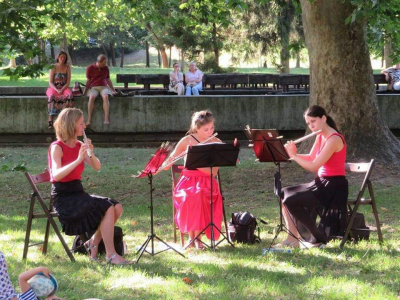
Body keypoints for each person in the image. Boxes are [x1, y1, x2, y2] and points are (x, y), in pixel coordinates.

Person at [48, 108, 130, 265]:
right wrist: (78, 160)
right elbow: (56, 175)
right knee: (108, 207)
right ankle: (111, 255)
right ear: (71, 125)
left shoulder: (79, 145)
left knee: (116, 207)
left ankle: (92, 242)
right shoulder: (56, 147)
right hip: (64, 197)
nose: (84, 126)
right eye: (81, 123)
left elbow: (97, 167)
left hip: (78, 192)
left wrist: (90, 153)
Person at [279, 105, 348, 248]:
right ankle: (292, 238)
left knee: (291, 199)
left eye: (313, 121)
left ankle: (318, 236)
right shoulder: (320, 135)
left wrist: (293, 156)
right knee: (283, 193)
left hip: (333, 187)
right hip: (321, 182)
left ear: (323, 118)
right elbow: (311, 157)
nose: (311, 126)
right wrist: (292, 154)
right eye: (308, 123)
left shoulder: (334, 139)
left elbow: (314, 166)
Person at [161, 110, 223, 250]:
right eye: (206, 129)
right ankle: (193, 238)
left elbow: (213, 172)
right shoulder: (187, 140)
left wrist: (193, 161)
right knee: (190, 197)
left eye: (212, 128)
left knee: (199, 195)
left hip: (207, 182)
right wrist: (168, 161)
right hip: (187, 182)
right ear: (196, 128)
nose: (210, 132)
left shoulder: (216, 142)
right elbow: (166, 165)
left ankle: (196, 239)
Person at [83, 54, 117, 126]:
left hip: (104, 86)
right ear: (99, 62)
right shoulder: (90, 68)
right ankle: (89, 119)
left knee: (105, 96)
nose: (105, 65)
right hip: (94, 87)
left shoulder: (106, 68)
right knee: (91, 97)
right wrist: (85, 92)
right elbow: (88, 81)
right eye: (104, 63)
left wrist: (113, 90)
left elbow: (108, 79)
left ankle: (106, 119)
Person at [46, 51, 74, 129]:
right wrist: (56, 89)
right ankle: (50, 118)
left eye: (64, 57)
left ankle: (65, 117)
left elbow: (68, 82)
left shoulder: (67, 67)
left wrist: (62, 89)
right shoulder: (53, 67)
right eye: (61, 57)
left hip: (64, 87)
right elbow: (50, 82)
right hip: (53, 87)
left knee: (69, 95)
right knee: (51, 96)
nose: (63, 59)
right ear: (58, 58)